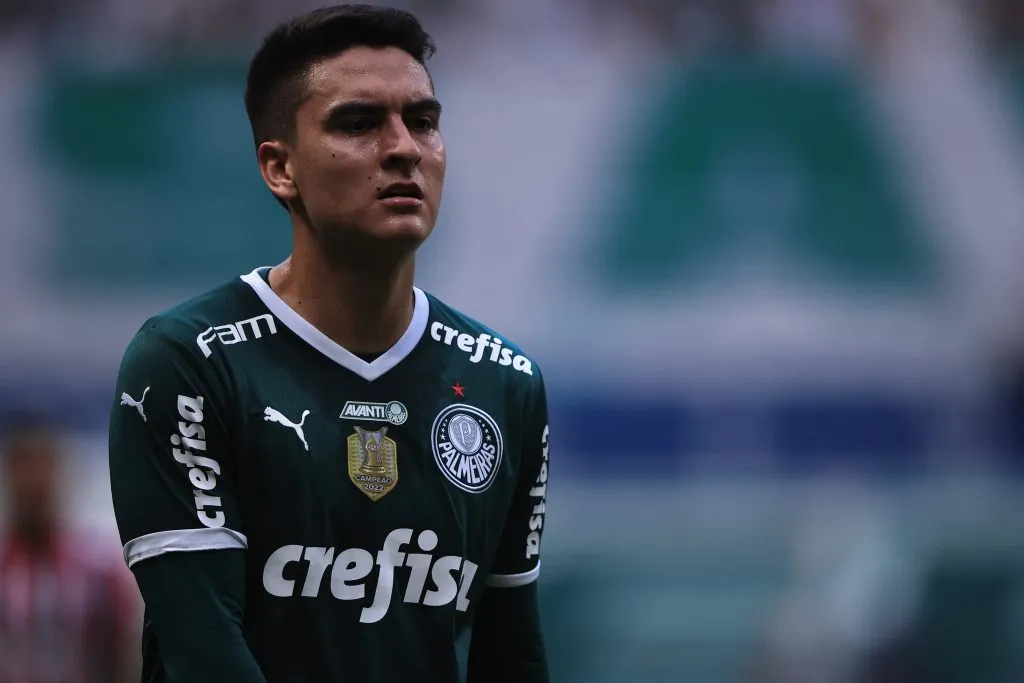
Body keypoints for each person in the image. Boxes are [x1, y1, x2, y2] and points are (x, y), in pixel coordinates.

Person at [107, 5, 551, 682]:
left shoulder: (506, 381)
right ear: (279, 168)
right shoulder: (188, 362)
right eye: (359, 122)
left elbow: (511, 654)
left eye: (423, 121)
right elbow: (206, 653)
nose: (403, 146)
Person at [0, 410, 140, 683]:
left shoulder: (99, 573)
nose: (34, 481)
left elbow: (122, 657)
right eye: (24, 466)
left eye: (43, 466)